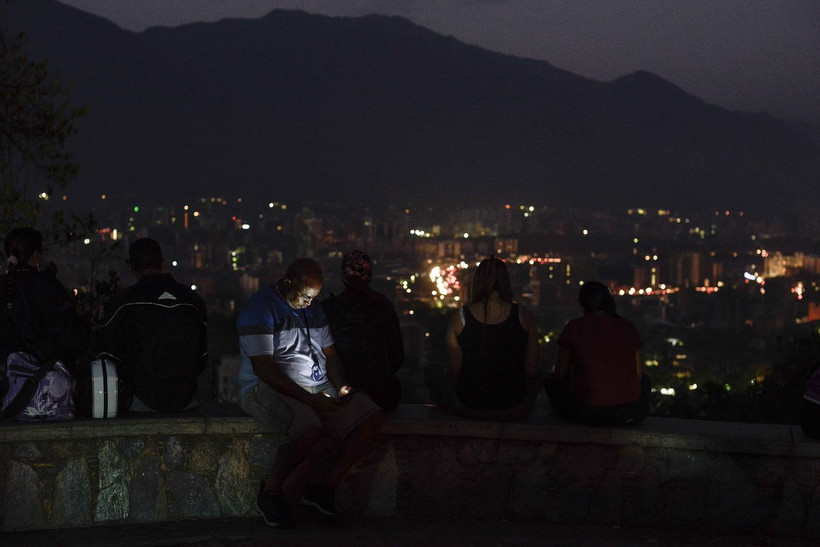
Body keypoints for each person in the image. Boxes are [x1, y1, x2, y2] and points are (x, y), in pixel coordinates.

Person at [237, 258, 383, 529]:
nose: (307, 303)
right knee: (308, 428)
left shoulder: (313, 310)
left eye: (312, 298)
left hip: (316, 386)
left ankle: (322, 488)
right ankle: (271, 493)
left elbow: (331, 354)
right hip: (266, 387)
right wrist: (310, 400)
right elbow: (264, 368)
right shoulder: (261, 308)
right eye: (304, 297)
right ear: (287, 282)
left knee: (369, 416)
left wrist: (340, 386)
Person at [95, 238, 207, 412]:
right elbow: (202, 356)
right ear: (162, 264)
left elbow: (107, 355)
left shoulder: (122, 303)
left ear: (130, 266)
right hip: (186, 399)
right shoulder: (192, 301)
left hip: (140, 400)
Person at [426, 256, 540, 421]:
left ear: (476, 282)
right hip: (513, 403)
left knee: (431, 370)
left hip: (469, 402)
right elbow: (531, 370)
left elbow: (455, 370)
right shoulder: (525, 316)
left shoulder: (459, 317)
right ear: (505, 282)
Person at [543, 281, 651, 426]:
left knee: (549, 381)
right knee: (646, 380)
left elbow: (560, 373)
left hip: (585, 411)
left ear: (582, 305)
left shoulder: (574, 327)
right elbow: (638, 374)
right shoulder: (627, 327)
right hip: (629, 413)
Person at [321, 250, 404, 411]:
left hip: (340, 392)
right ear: (370, 275)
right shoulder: (384, 307)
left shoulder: (328, 308)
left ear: (343, 276)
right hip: (383, 394)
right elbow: (398, 356)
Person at [0, 227, 88, 369]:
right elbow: (72, 336)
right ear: (36, 255)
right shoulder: (48, 286)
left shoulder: (5, 285)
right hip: (44, 379)